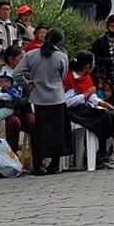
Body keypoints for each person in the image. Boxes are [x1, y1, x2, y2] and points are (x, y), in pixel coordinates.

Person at [17, 29, 70, 176]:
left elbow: (16, 73)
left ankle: (38, 164)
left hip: (37, 99)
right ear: (60, 42)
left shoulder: (31, 55)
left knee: (39, 133)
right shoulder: (62, 56)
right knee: (57, 132)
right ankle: (54, 164)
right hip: (57, 98)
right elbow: (63, 75)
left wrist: (28, 84)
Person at [63, 50, 114, 169]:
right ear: (87, 66)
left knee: (113, 116)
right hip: (74, 111)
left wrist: (101, 102)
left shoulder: (86, 77)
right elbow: (68, 101)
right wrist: (85, 95)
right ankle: (101, 154)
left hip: (86, 108)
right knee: (106, 118)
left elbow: (92, 95)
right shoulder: (69, 78)